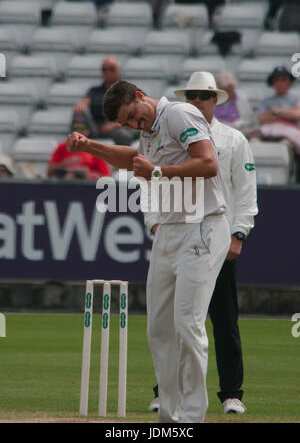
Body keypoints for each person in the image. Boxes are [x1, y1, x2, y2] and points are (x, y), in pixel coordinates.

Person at [66, 79, 231, 423]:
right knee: (159, 328)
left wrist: (158, 171)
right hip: (169, 230)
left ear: (140, 97)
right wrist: (89, 146)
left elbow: (208, 163)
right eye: (127, 124)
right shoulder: (152, 128)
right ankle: (170, 415)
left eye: (133, 116)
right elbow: (133, 158)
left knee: (187, 323)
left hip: (202, 226)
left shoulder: (179, 115)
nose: (135, 125)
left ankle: (190, 416)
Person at [146, 71, 258, 414]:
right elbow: (151, 183)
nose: (197, 101)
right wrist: (154, 223)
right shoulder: (171, 133)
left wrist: (239, 233)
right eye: (191, 95)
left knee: (222, 318)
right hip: (178, 232)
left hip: (216, 234)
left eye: (204, 96)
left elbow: (245, 190)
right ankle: (169, 394)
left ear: (215, 100)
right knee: (176, 320)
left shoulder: (233, 139)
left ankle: (231, 393)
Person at [72, 55, 137, 145]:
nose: (108, 72)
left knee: (124, 135)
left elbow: (132, 115)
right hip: (96, 126)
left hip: (117, 126)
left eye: (111, 69)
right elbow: (85, 102)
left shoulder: (126, 90)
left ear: (119, 70)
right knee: (78, 111)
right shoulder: (94, 90)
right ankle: (78, 145)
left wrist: (112, 126)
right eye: (104, 69)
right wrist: (81, 105)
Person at [48, 114, 111, 180]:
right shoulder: (62, 147)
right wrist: (64, 163)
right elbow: (49, 172)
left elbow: (106, 176)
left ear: (87, 131)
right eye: (74, 129)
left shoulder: (94, 148)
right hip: (66, 182)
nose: (77, 132)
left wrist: (92, 176)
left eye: (81, 129)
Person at [254, 66, 300, 156]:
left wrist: (275, 111)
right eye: (276, 80)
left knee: (285, 144)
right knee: (254, 142)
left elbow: (297, 115)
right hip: (268, 133)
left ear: (289, 82)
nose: (280, 83)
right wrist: (288, 113)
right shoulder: (266, 101)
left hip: (289, 135)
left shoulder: (296, 99)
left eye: (283, 79)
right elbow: (261, 118)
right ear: (273, 83)